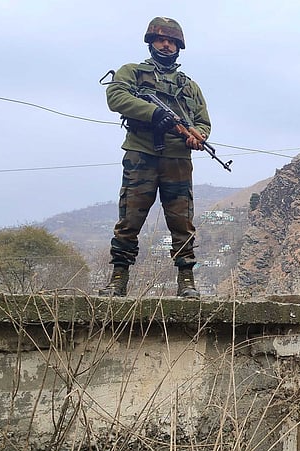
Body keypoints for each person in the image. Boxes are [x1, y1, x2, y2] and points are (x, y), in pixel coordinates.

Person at [99, 17, 211, 298]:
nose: (166, 45)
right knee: (129, 220)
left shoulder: (189, 86)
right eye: (161, 39)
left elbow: (204, 123)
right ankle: (118, 279)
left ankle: (186, 280)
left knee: (181, 222)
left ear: (178, 47)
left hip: (178, 160)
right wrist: (153, 113)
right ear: (151, 42)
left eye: (171, 41)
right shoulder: (133, 73)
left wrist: (196, 135)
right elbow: (116, 98)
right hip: (141, 155)